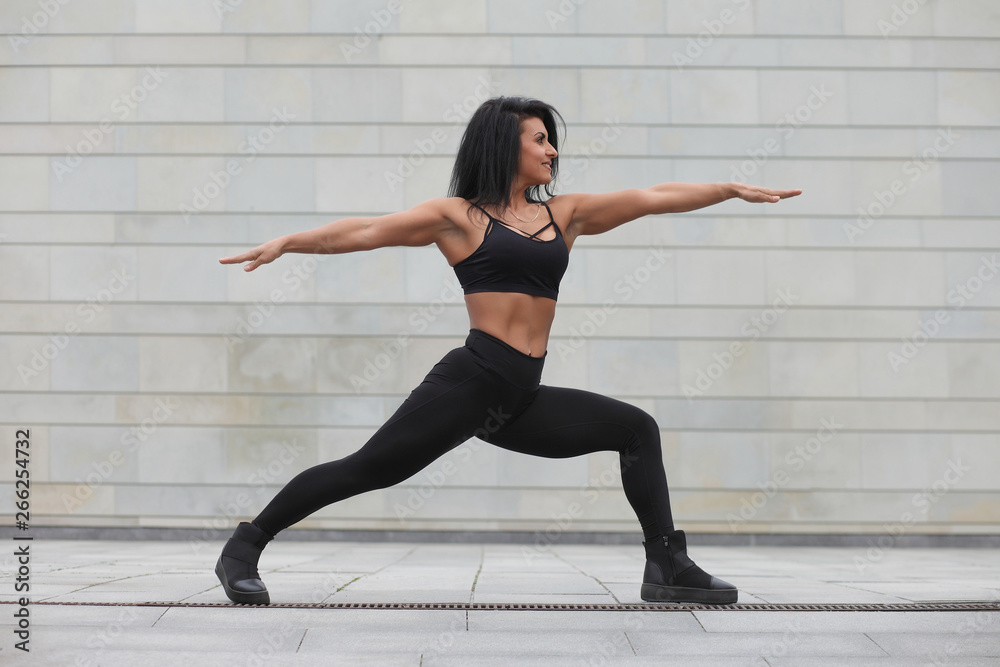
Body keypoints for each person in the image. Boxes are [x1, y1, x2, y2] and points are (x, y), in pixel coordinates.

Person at [215, 95, 801, 607]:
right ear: (504, 145)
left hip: (519, 397)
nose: (551, 151)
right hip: (471, 381)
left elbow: (651, 196)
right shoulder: (459, 218)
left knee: (636, 429)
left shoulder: (564, 216)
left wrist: (727, 188)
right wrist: (289, 242)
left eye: (552, 141)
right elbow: (365, 230)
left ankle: (668, 565)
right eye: (540, 139)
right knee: (369, 470)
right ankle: (244, 548)